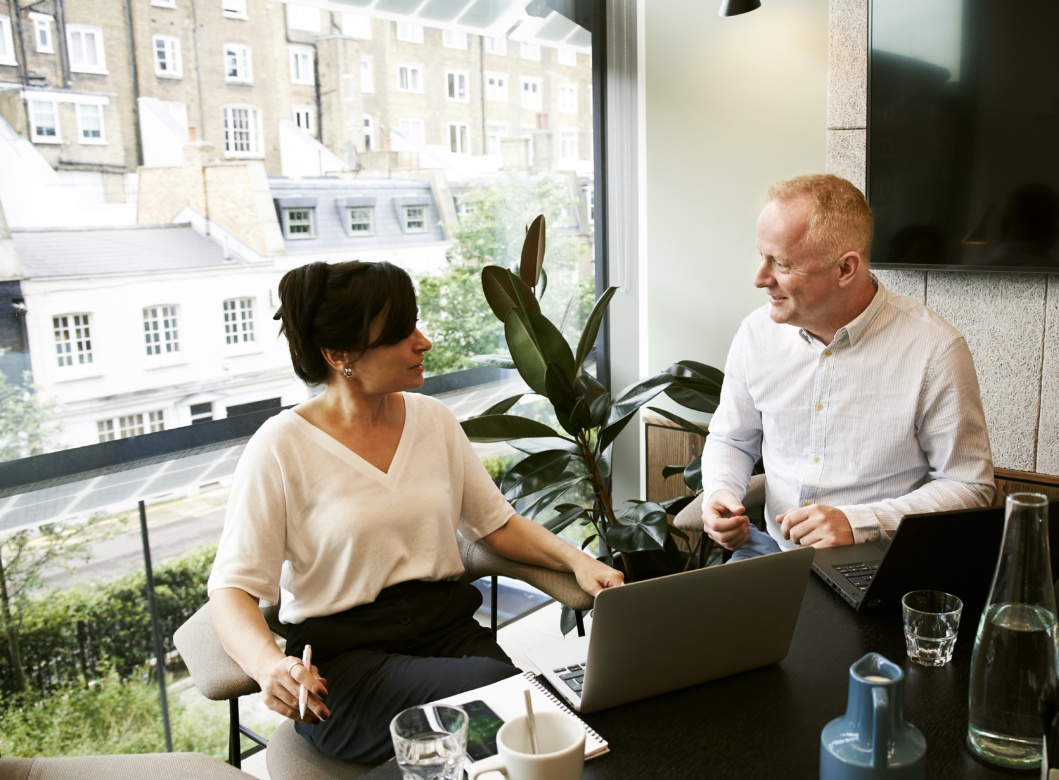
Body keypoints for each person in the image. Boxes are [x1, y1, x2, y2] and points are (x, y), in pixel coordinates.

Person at [206, 260, 622, 763]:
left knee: (538, 731)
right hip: (351, 669)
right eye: (401, 333)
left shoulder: (433, 421)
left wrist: (579, 561)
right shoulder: (280, 446)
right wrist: (268, 664)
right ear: (340, 355)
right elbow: (232, 590)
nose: (422, 341)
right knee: (509, 707)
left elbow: (497, 525)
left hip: (451, 636)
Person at [701, 174, 996, 560]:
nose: (760, 278)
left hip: (878, 560)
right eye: (762, 255)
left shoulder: (935, 350)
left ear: (845, 269)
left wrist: (860, 522)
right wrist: (721, 491)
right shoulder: (755, 334)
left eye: (782, 263)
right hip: (770, 552)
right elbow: (731, 438)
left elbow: (968, 485)